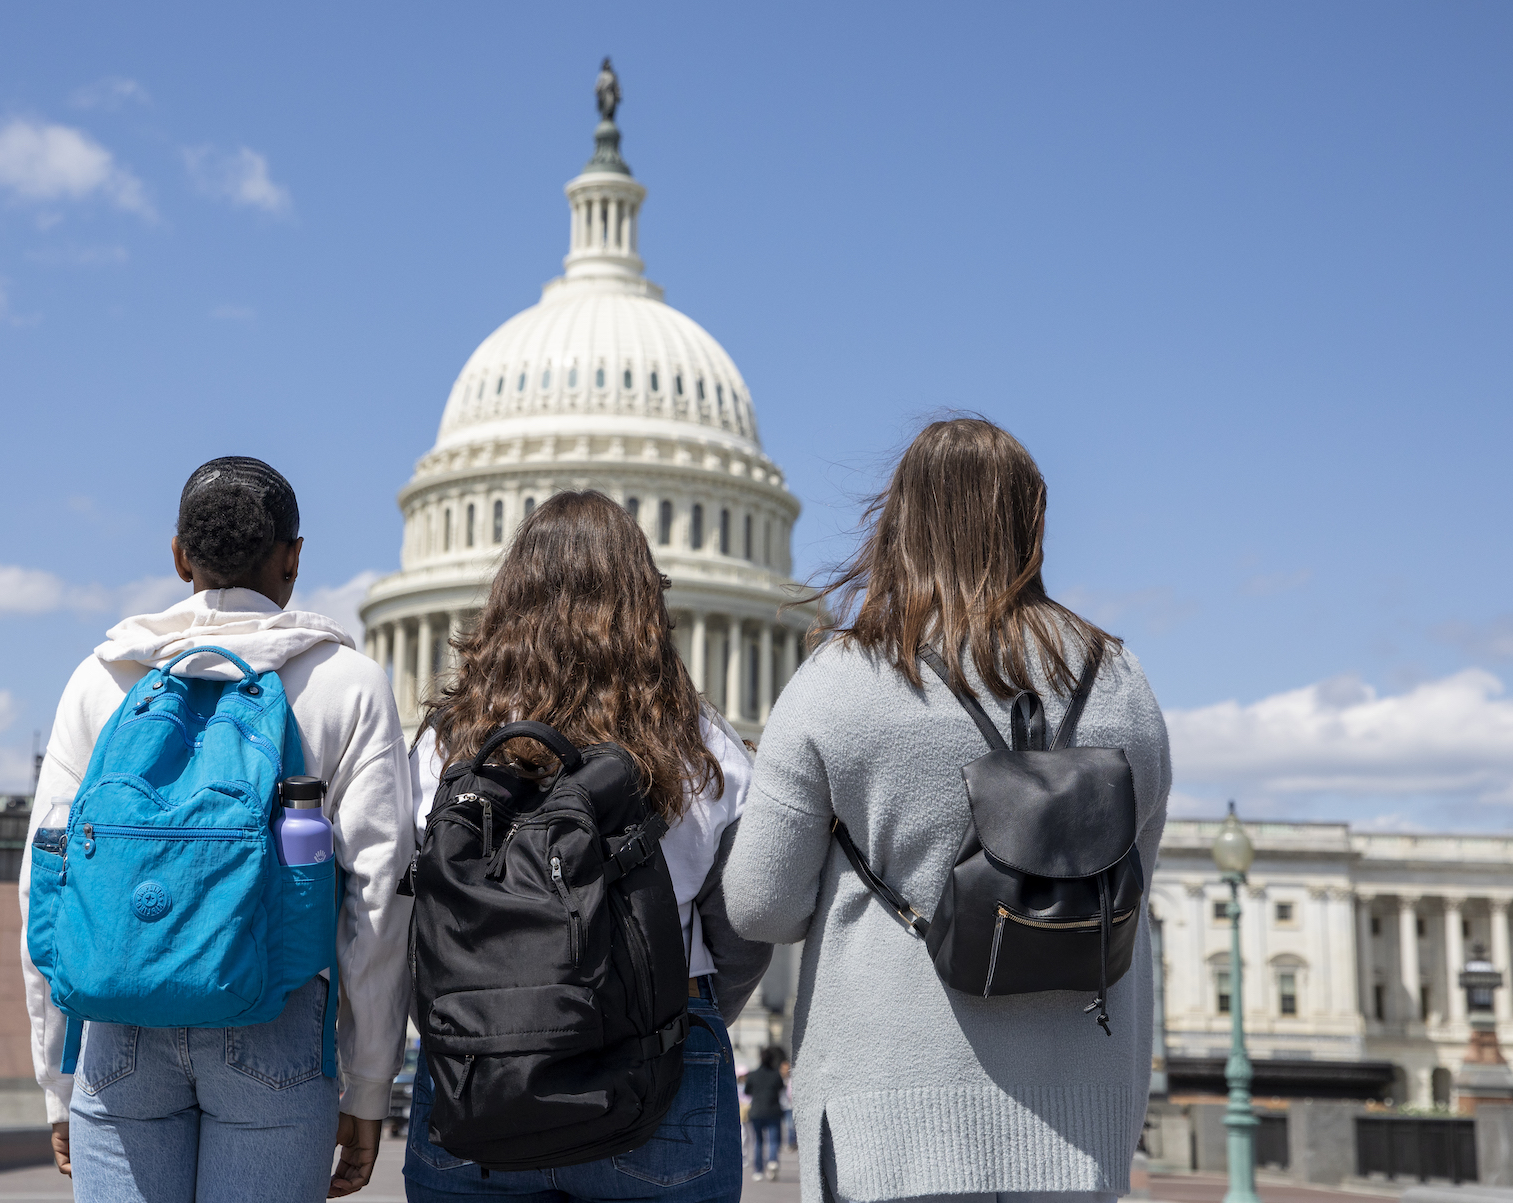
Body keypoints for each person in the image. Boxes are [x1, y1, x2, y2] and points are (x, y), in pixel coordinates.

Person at [725, 417, 1172, 1203]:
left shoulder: (841, 679)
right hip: (1082, 1118)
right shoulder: (1122, 679)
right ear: (1031, 524)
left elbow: (759, 903)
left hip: (889, 1112)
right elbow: (1133, 870)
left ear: (897, 526)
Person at [19, 457, 415, 1202]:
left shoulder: (104, 677)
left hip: (119, 1018)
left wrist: (57, 1077)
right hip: (277, 1014)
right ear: (294, 555)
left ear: (178, 555)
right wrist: (368, 1085)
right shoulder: (346, 682)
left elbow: (44, 888)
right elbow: (378, 898)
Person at [404, 489, 765, 1203]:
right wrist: (688, 1003)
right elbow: (744, 931)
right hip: (660, 1063)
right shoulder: (704, 748)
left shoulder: (444, 743)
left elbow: (419, 922)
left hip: (478, 1070)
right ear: (646, 606)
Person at [742, 1047, 786, 1182]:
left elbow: (747, 1091)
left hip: (756, 1111)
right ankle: (772, 1161)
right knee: (773, 1140)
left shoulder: (753, 1074)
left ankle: (758, 1170)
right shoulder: (776, 1074)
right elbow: (781, 1089)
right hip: (773, 1110)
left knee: (758, 1141)